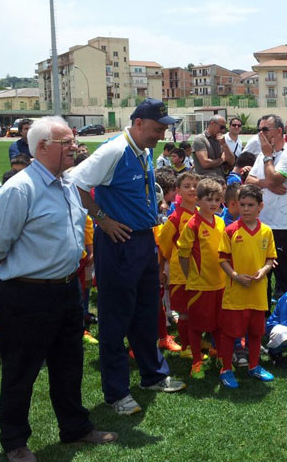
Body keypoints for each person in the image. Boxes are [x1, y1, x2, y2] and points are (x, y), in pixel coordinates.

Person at [0, 116, 117, 462]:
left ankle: (75, 428)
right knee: (20, 372)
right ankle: (15, 443)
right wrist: (14, 267)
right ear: (42, 147)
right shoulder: (20, 189)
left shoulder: (68, 182)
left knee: (69, 364)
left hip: (68, 291)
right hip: (26, 295)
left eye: (72, 141)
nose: (75, 147)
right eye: (66, 142)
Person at [70, 98, 185, 417]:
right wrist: (102, 219)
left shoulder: (143, 149)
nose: (161, 134)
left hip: (143, 240)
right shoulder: (114, 150)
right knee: (115, 317)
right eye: (157, 128)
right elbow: (76, 184)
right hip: (118, 242)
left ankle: (153, 375)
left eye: (164, 128)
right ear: (137, 123)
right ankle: (117, 391)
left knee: (146, 312)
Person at [217, 184, 278, 387]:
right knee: (230, 333)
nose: (245, 209)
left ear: (260, 206)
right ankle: (226, 368)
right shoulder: (230, 230)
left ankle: (253, 366)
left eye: (250, 205)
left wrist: (264, 270)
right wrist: (235, 275)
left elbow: (270, 259)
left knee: (255, 332)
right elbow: (222, 259)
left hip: (258, 293)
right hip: (236, 293)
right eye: (242, 204)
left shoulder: (267, 232)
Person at [246, 114, 287, 299]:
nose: (261, 134)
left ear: (279, 131)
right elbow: (248, 180)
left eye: (265, 130)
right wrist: (267, 183)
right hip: (262, 223)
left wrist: (268, 159)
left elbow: (275, 178)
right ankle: (264, 315)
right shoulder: (263, 155)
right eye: (259, 130)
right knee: (262, 276)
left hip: (282, 225)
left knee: (286, 276)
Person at [176, 177, 226, 380]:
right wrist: (190, 277)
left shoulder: (221, 222)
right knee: (196, 325)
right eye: (209, 200)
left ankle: (221, 355)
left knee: (218, 323)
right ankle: (196, 361)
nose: (213, 204)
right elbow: (183, 254)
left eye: (216, 200)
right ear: (198, 200)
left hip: (220, 283)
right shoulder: (192, 224)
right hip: (199, 285)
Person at [157, 171, 199, 358]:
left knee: (196, 309)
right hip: (181, 273)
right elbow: (163, 246)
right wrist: (162, 268)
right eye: (187, 185)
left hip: (200, 273)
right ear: (177, 191)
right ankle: (186, 348)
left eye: (195, 185)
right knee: (183, 312)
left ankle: (195, 340)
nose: (192, 189)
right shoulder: (175, 218)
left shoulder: (201, 213)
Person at [192, 115, 235, 180]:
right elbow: (205, 163)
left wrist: (224, 145)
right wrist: (221, 160)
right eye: (221, 127)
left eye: (224, 128)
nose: (223, 131)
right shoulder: (200, 139)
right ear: (212, 123)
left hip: (220, 181)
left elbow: (231, 161)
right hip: (205, 182)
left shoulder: (220, 140)